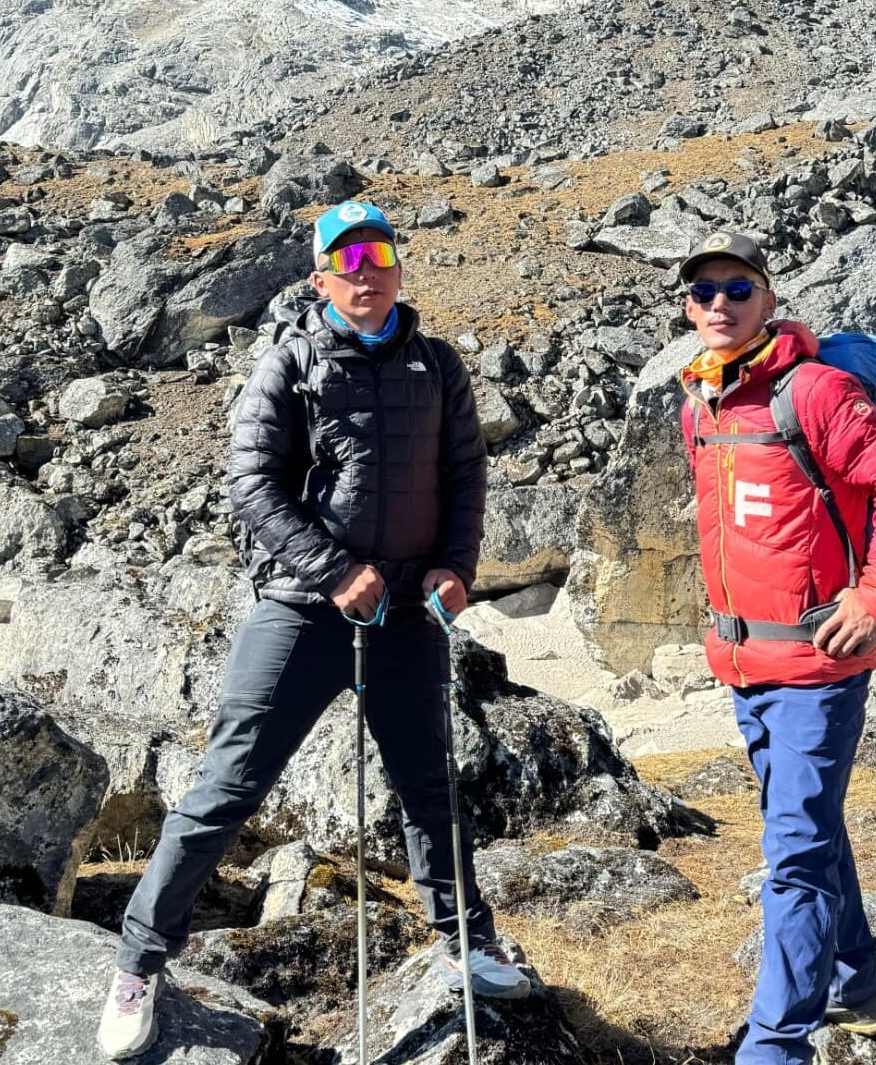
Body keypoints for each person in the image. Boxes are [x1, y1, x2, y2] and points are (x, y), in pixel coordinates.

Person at [96, 201, 530, 1061]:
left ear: (398, 267)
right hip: (304, 608)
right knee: (227, 785)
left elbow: (464, 475)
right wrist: (334, 572)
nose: (363, 272)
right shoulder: (290, 362)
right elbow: (251, 485)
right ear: (320, 276)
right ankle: (139, 962)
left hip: (409, 613)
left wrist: (457, 565)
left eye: (377, 255)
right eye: (345, 259)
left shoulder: (437, 365)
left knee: (429, 787)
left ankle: (466, 939)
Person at [675, 232, 876, 1064]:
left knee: (791, 855)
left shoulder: (815, 391)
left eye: (737, 289)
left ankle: (774, 1045)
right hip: (745, 663)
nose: (718, 304)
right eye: (702, 291)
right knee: (808, 828)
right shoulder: (701, 401)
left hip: (818, 665)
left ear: (769, 296)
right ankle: (854, 980)